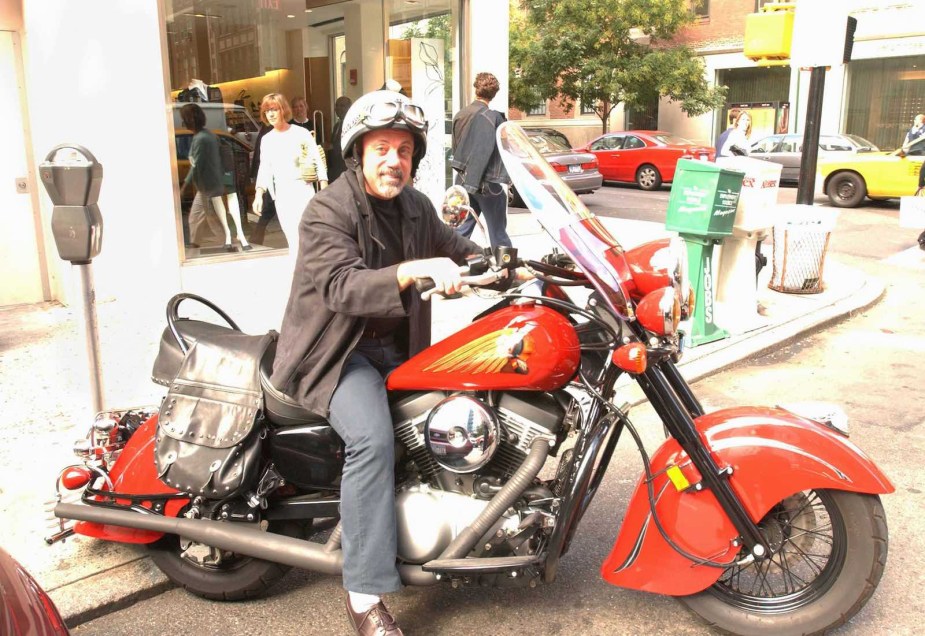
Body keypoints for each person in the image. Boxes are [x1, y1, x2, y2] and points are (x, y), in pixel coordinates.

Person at [269, 89, 482, 636]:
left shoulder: (415, 206)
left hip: (397, 350)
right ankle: (364, 595)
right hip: (336, 354)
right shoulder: (326, 210)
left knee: (462, 404)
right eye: (382, 147)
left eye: (406, 150)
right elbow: (341, 287)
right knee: (372, 438)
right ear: (358, 151)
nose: (395, 160)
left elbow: (456, 248)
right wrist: (415, 270)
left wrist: (504, 262)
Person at [253, 93, 328, 260]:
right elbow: (264, 168)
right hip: (282, 194)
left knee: (308, 235)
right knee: (293, 239)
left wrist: (324, 190)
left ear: (283, 110)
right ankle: (301, 275)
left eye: (274, 109)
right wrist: (259, 194)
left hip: (303, 190)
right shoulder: (267, 139)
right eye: (267, 111)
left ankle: (307, 274)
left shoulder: (300, 133)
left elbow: (317, 160)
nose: (270, 114)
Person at [451, 72, 513, 249]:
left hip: (463, 180)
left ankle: (453, 262)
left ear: (475, 89)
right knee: (498, 233)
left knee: (461, 229)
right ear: (494, 94)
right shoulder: (493, 117)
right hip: (487, 183)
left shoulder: (460, 114)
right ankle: (506, 268)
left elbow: (456, 149)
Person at [180, 103, 251, 251]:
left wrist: (184, 186)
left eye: (184, 119)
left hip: (211, 184)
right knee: (201, 214)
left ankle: (229, 240)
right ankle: (206, 241)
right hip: (209, 183)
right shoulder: (205, 135)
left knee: (211, 215)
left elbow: (196, 164)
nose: (183, 122)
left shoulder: (202, 138)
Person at [248, 122, 278, 246]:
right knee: (268, 208)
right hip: (273, 176)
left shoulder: (268, 130)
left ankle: (256, 236)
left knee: (268, 209)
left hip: (276, 177)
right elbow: (262, 159)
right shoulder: (268, 132)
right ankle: (257, 236)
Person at [328, 95, 353, 182]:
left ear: (349, 108)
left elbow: (350, 144)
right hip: (335, 170)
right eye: (337, 106)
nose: (338, 108)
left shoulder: (352, 125)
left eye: (342, 106)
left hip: (345, 169)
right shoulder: (336, 126)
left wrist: (333, 146)